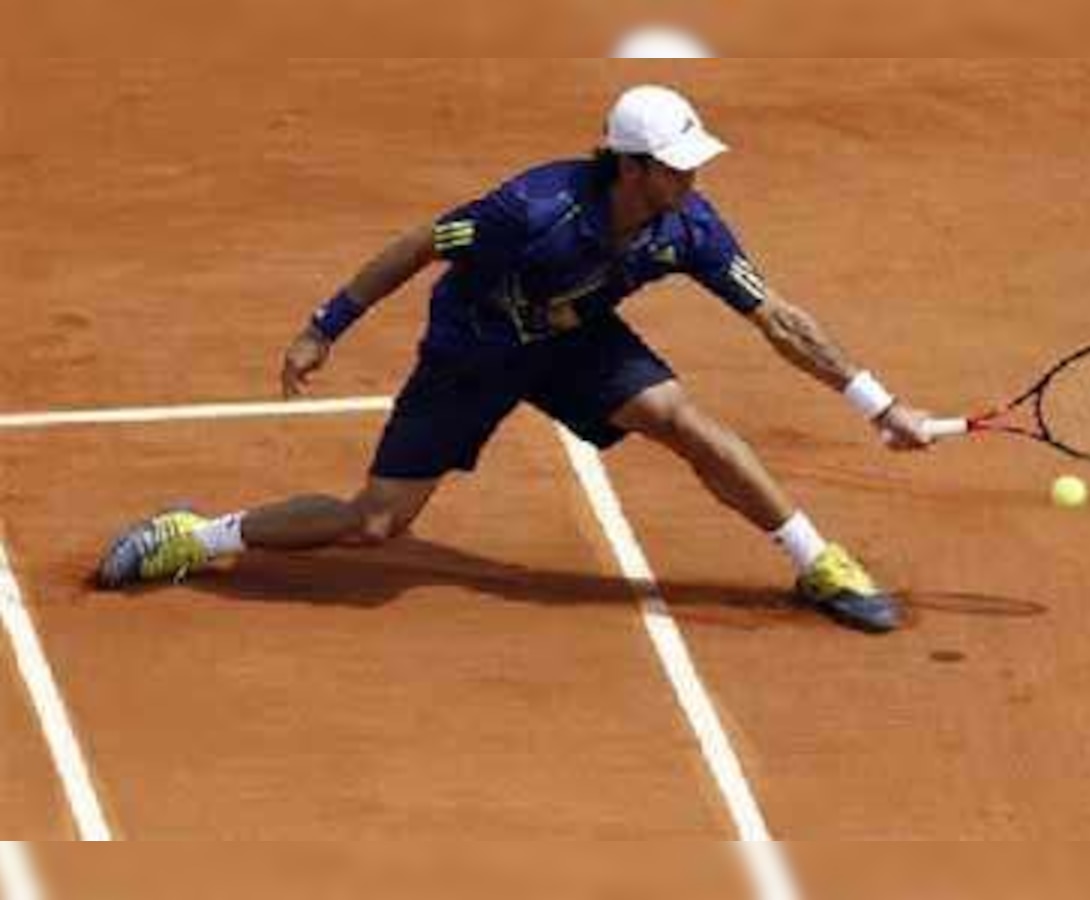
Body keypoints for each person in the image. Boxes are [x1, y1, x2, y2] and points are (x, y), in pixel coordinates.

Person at [97, 84, 932, 634]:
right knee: (378, 524)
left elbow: (779, 321)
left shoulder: (690, 227)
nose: (692, 178)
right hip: (473, 353)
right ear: (631, 166)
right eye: (677, 167)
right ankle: (196, 535)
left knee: (681, 420)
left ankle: (815, 562)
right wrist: (326, 324)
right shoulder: (528, 210)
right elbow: (423, 242)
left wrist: (880, 407)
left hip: (574, 343)